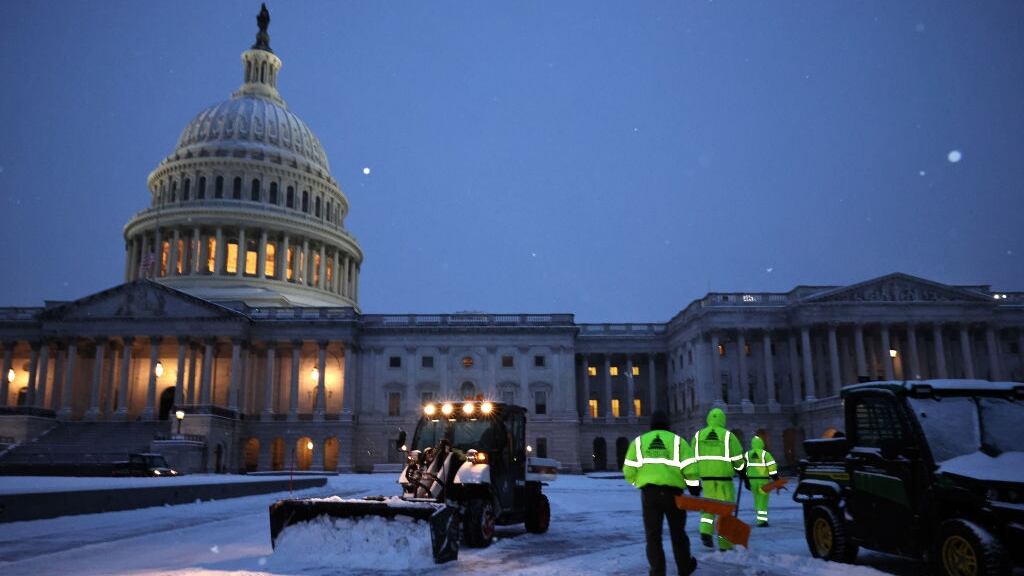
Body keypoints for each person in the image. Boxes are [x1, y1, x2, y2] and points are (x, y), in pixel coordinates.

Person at [623, 410, 699, 576]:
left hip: (650, 495)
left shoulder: (639, 442)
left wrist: (640, 484)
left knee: (653, 536)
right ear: (668, 424)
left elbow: (628, 470)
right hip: (674, 494)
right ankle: (684, 567)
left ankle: (657, 571)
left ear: (651, 425)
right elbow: (690, 469)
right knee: (678, 533)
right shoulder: (677, 442)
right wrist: (693, 486)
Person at [692, 407, 745, 550]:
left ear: (709, 418)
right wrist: (742, 472)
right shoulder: (727, 436)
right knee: (725, 511)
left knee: (708, 508)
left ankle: (705, 531)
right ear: (723, 420)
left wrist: (694, 479)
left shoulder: (698, 436)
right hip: (724, 480)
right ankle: (725, 544)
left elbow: (692, 459)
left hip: (707, 480)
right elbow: (737, 458)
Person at [743, 435, 778, 527]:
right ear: (761, 444)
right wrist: (775, 478)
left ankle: (760, 518)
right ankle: (762, 521)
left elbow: (742, 467)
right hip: (763, 480)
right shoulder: (765, 454)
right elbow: (772, 466)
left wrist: (745, 481)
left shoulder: (747, 454)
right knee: (763, 500)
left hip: (751, 481)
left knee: (757, 499)